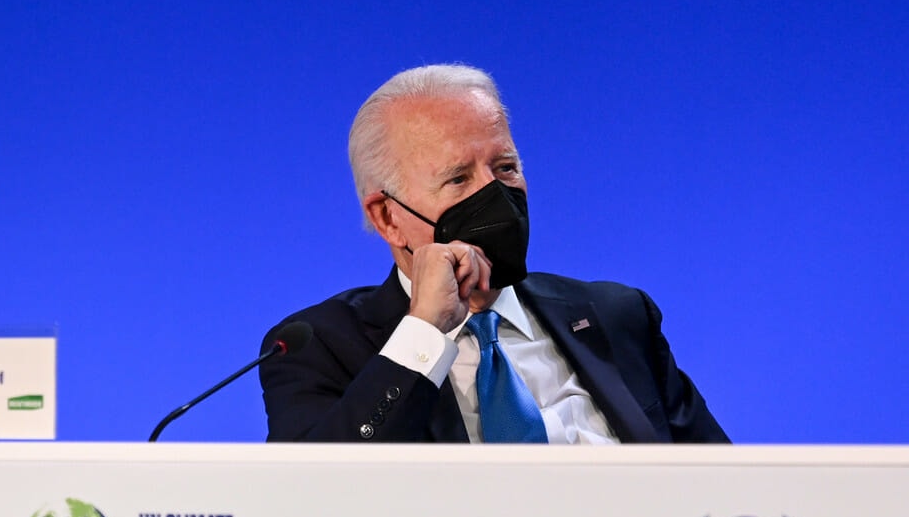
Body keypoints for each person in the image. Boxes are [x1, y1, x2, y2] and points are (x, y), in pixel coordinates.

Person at [261, 64, 725, 444]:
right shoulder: (316, 347)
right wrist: (424, 331)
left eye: (505, 168)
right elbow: (321, 497)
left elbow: (727, 488)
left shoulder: (618, 316)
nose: (496, 196)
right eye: (458, 179)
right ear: (387, 217)